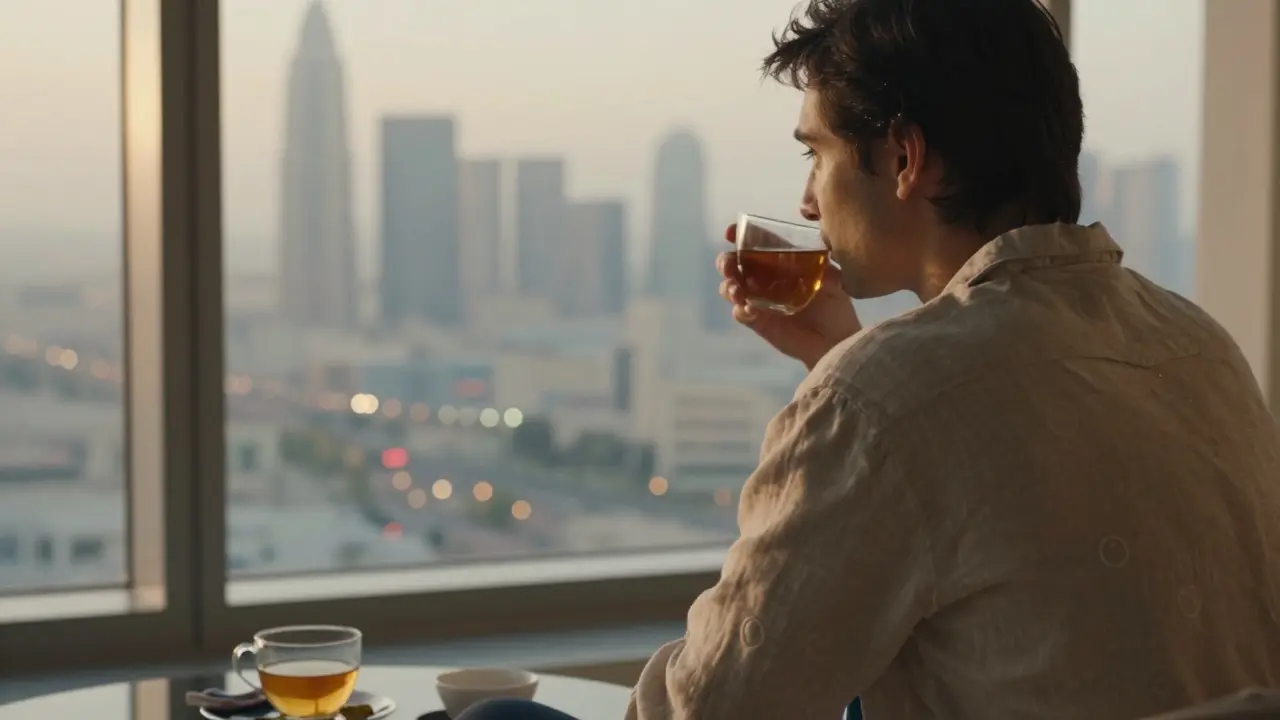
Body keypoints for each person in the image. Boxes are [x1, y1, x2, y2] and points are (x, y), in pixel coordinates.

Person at [462, 0, 1280, 718]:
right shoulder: (1198, 345)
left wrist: (851, 382)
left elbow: (714, 711)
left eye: (814, 154)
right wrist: (843, 356)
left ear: (902, 158)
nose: (808, 202)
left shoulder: (880, 400)